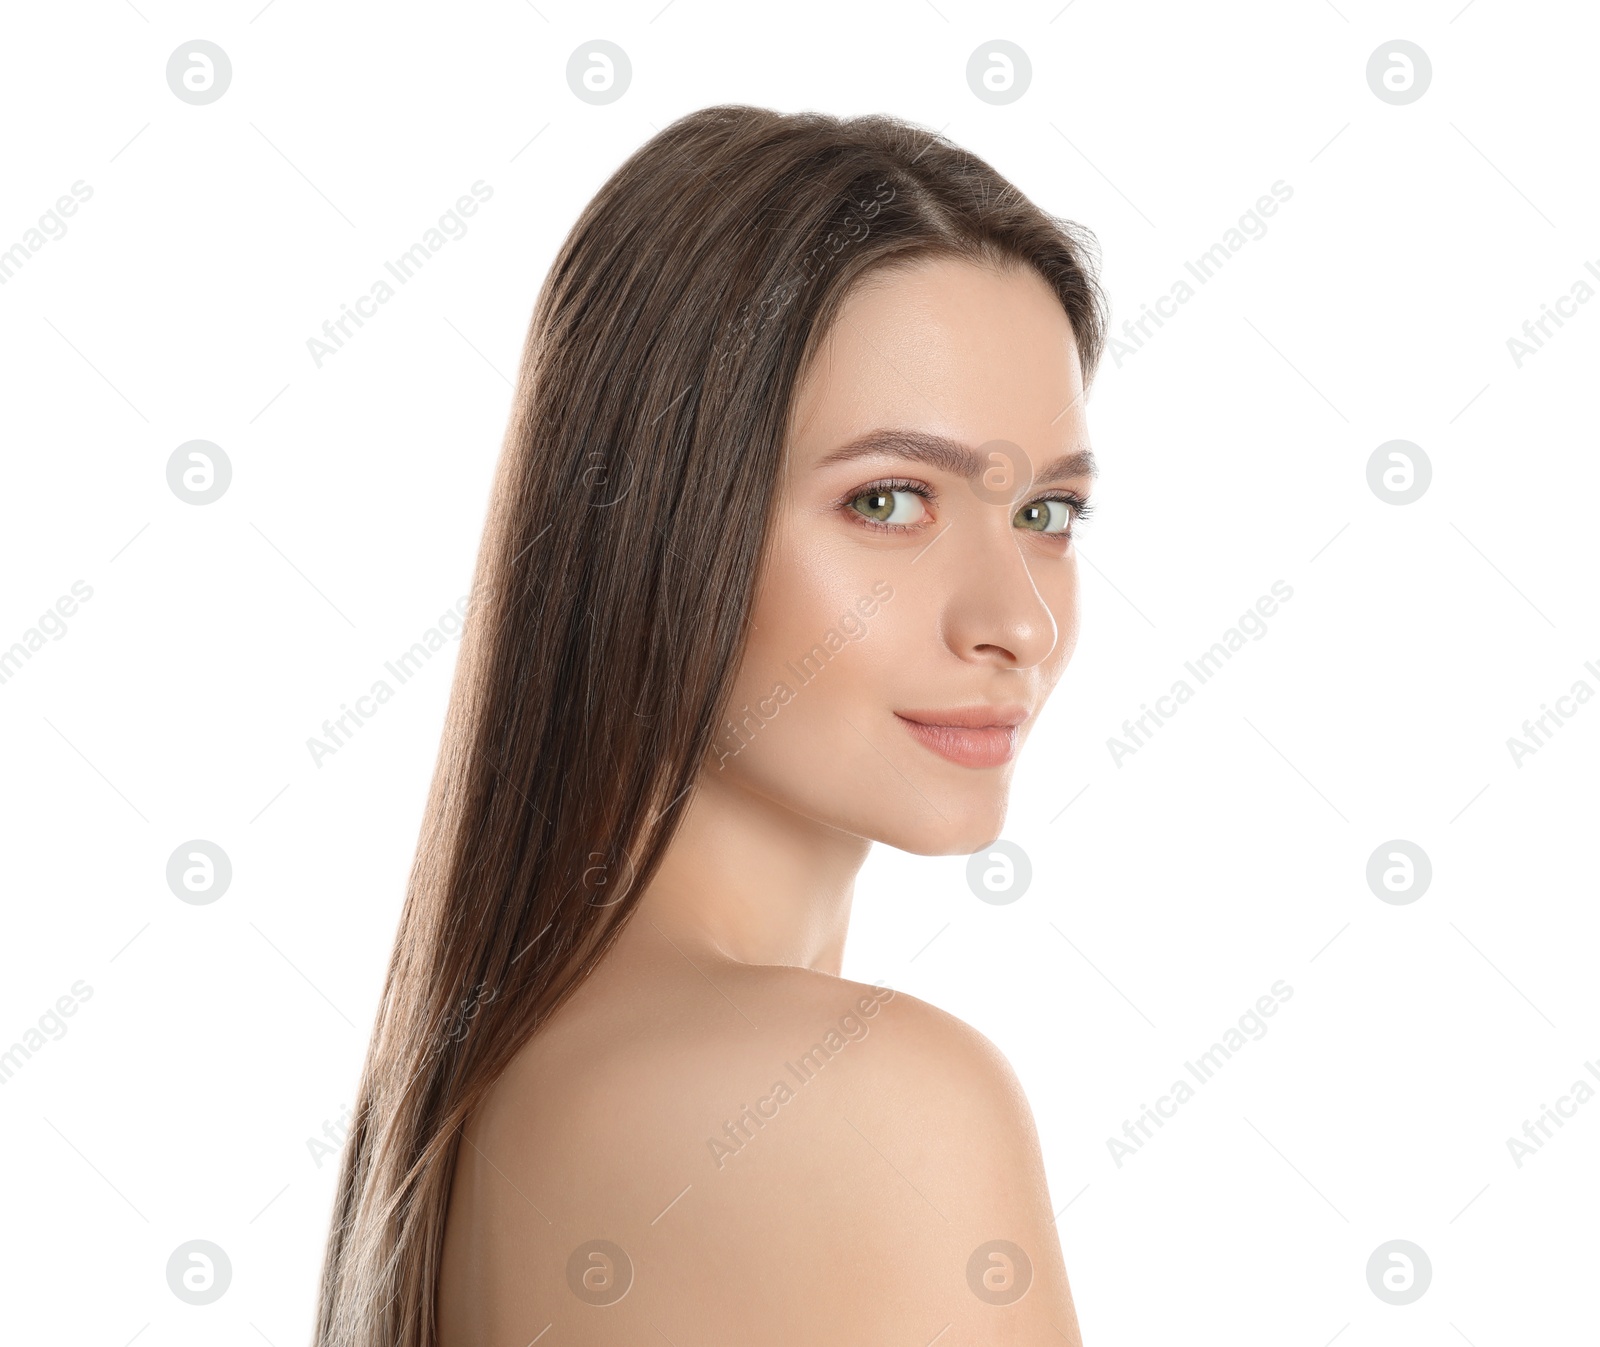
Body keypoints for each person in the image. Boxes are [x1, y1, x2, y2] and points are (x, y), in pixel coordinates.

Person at [314, 103, 1108, 1347]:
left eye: (1047, 516)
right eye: (889, 500)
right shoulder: (880, 1102)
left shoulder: (489, 1096)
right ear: (661, 526)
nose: (1016, 620)